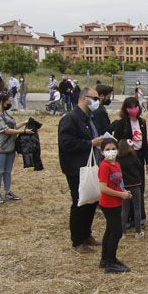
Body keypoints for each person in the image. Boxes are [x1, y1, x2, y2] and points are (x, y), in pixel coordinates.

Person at [57, 87, 105, 253]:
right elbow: (67, 143)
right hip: (76, 168)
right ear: (85, 98)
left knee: (92, 200)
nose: (97, 102)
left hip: (92, 166)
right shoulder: (70, 119)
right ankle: (77, 241)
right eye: (95, 98)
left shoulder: (90, 118)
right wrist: (91, 143)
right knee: (80, 202)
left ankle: (86, 234)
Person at [110, 97, 148, 229]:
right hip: (125, 159)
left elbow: (145, 143)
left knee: (139, 188)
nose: (133, 109)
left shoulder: (142, 122)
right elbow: (116, 140)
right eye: (130, 107)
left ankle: (138, 217)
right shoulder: (122, 123)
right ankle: (125, 218)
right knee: (126, 187)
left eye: (135, 106)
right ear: (126, 109)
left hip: (138, 158)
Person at [97, 137, 131, 273]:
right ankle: (111, 262)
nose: (110, 152)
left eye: (113, 149)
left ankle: (105, 259)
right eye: (107, 150)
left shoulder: (116, 164)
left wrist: (124, 192)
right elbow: (103, 188)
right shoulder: (104, 166)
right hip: (108, 204)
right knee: (116, 232)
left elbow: (117, 183)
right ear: (102, 152)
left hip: (116, 202)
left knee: (110, 230)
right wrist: (120, 195)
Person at [0, 92, 31, 204]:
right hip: (0, 147)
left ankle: (8, 191)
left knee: (8, 171)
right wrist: (23, 131)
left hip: (10, 147)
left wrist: (24, 123)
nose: (10, 103)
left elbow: (12, 127)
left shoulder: (5, 113)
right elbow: (6, 130)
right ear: (3, 101)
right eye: (9, 101)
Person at [117, 135, 145, 238]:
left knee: (124, 210)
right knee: (137, 208)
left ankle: (122, 232)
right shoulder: (134, 157)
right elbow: (139, 167)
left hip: (124, 187)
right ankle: (137, 232)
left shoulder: (118, 159)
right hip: (135, 186)